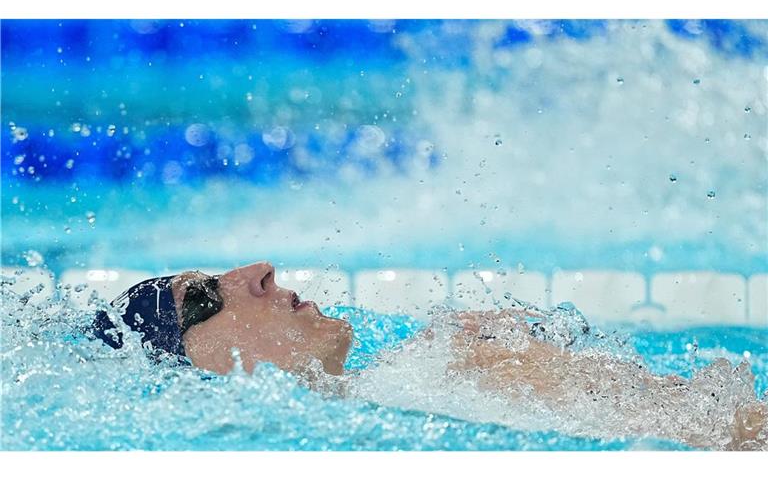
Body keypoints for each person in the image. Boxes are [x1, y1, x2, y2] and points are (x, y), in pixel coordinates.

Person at [92, 261, 767, 451]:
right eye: (206, 296)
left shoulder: (429, 375)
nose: (260, 270)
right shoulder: (459, 364)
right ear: (192, 371)